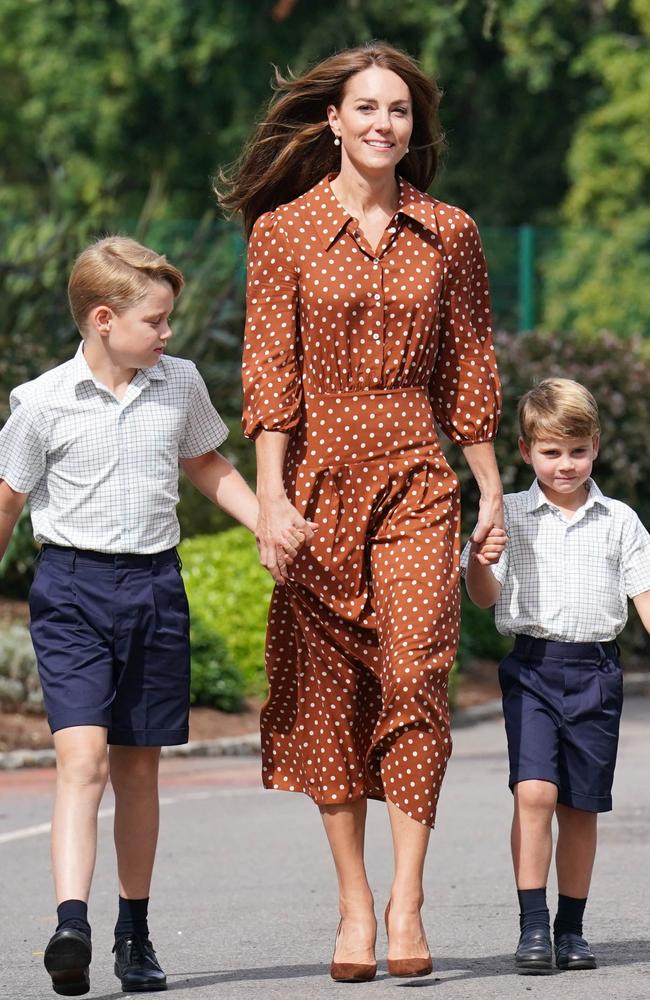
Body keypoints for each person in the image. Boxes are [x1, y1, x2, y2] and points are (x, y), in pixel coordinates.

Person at [219, 42, 503, 980]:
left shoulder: (450, 231)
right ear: (333, 121)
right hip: (314, 484)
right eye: (367, 108)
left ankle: (407, 899)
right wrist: (268, 501)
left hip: (420, 475)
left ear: (413, 129)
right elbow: (269, 374)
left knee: (418, 669)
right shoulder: (284, 234)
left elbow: (468, 366)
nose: (384, 124)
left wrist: (490, 484)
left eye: (400, 112)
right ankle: (352, 906)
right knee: (328, 693)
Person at [0, 237, 301, 996]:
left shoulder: (180, 383)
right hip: (71, 591)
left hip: (155, 590)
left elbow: (206, 463)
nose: (168, 333)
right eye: (156, 320)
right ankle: (73, 922)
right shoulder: (40, 404)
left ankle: (134, 932)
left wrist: (266, 519)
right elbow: (5, 504)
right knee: (83, 761)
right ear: (104, 319)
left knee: (139, 768)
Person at [462, 377, 650, 974]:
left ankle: (571, 929)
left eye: (576, 450)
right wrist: (480, 559)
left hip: (596, 669)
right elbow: (484, 596)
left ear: (594, 446)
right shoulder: (508, 515)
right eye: (550, 452)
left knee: (581, 808)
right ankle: (533, 927)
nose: (564, 464)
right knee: (534, 793)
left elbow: (645, 594)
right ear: (525, 452)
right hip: (534, 668)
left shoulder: (620, 521)